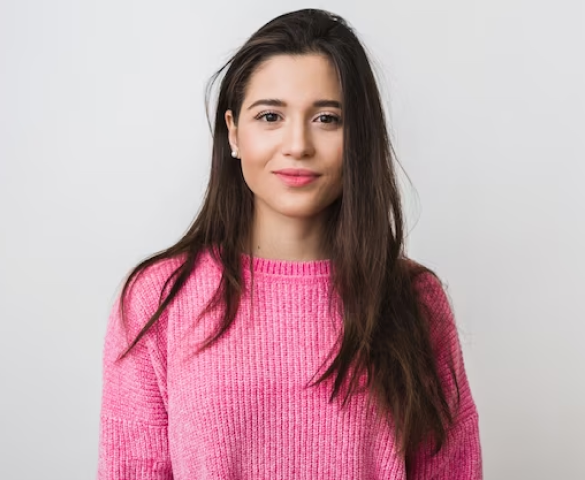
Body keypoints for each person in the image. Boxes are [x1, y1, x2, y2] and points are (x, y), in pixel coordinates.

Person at [97, 8, 482, 480]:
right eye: (270, 116)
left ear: (358, 137)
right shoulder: (157, 300)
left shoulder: (414, 301)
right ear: (234, 132)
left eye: (326, 118)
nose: (298, 144)